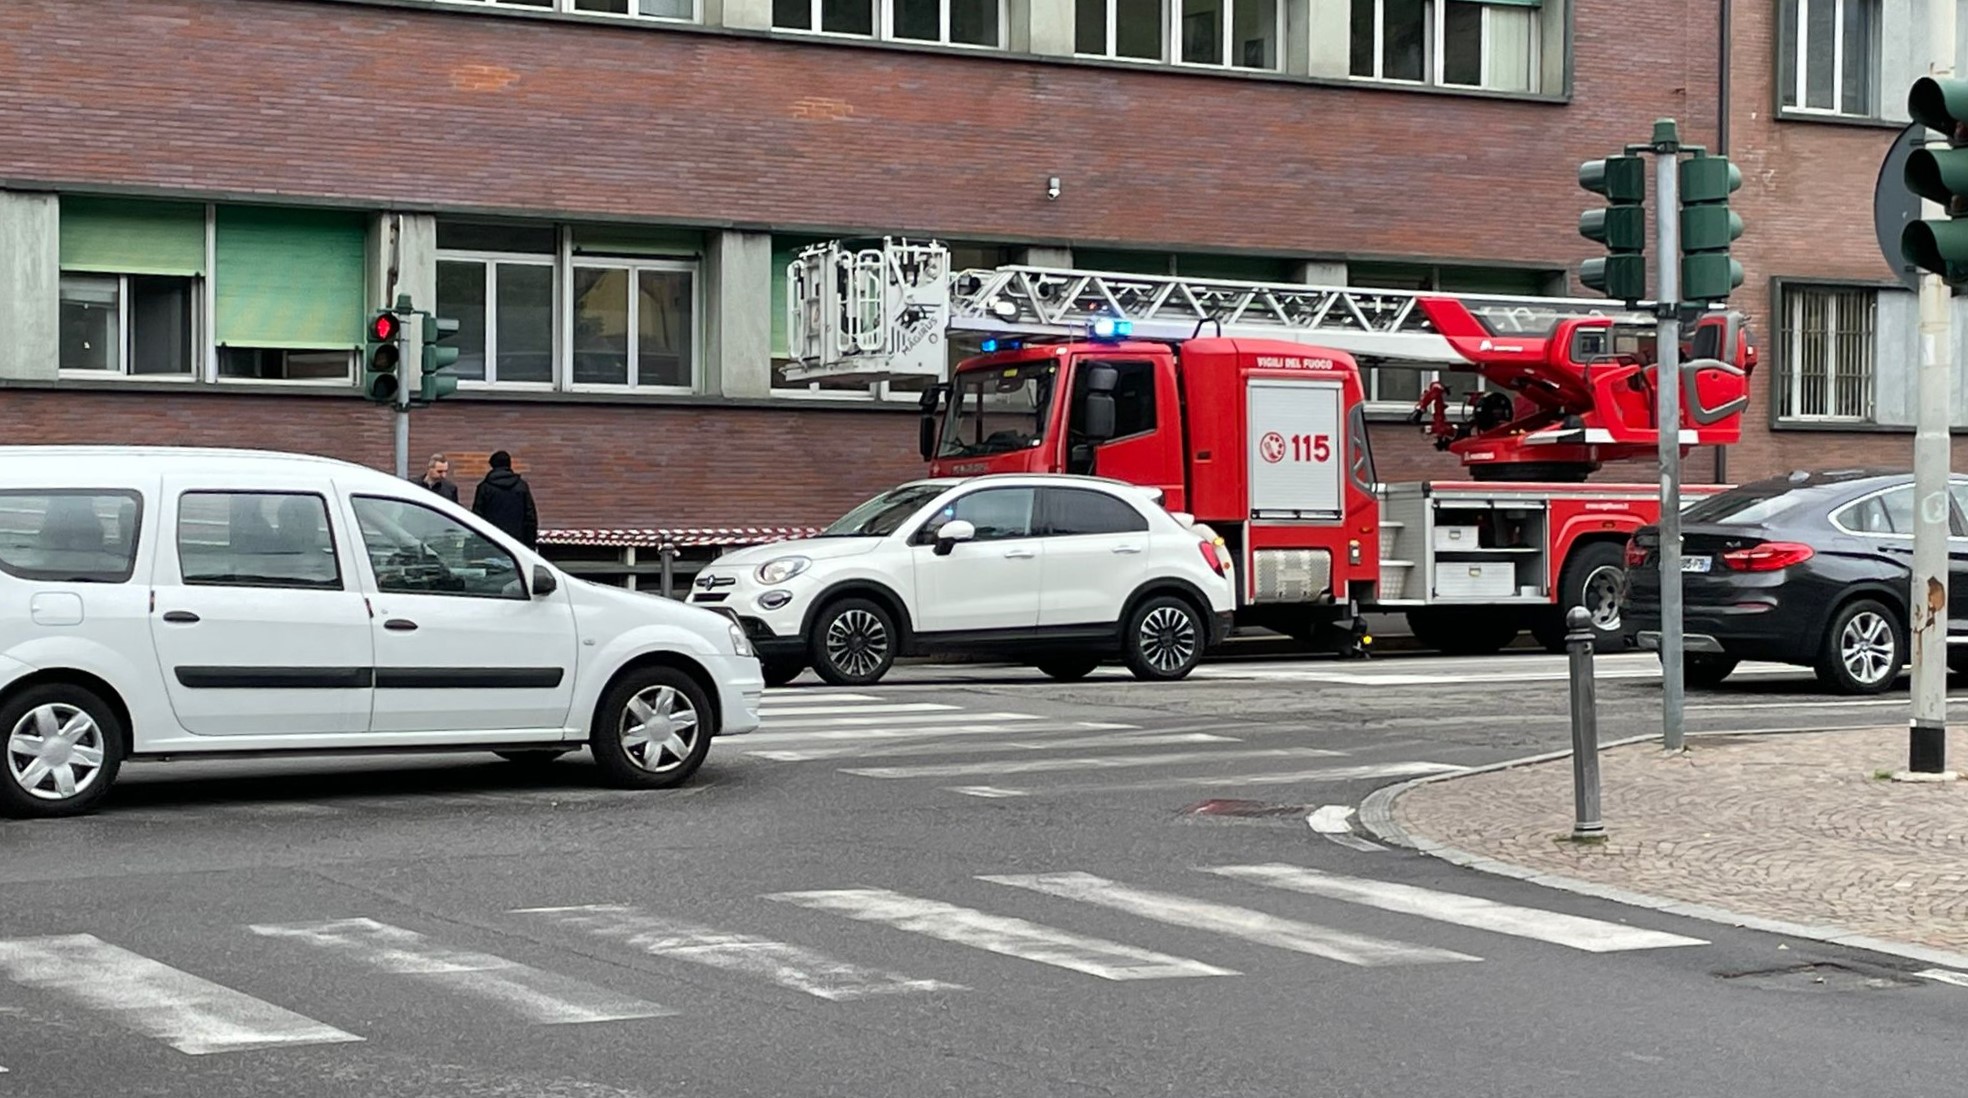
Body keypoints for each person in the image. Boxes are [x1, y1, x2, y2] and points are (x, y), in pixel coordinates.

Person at [471, 450, 539, 548]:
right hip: (518, 542)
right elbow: (530, 517)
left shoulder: (485, 488)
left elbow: (477, 516)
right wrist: (530, 543)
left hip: (492, 542)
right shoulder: (521, 486)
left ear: (492, 465)